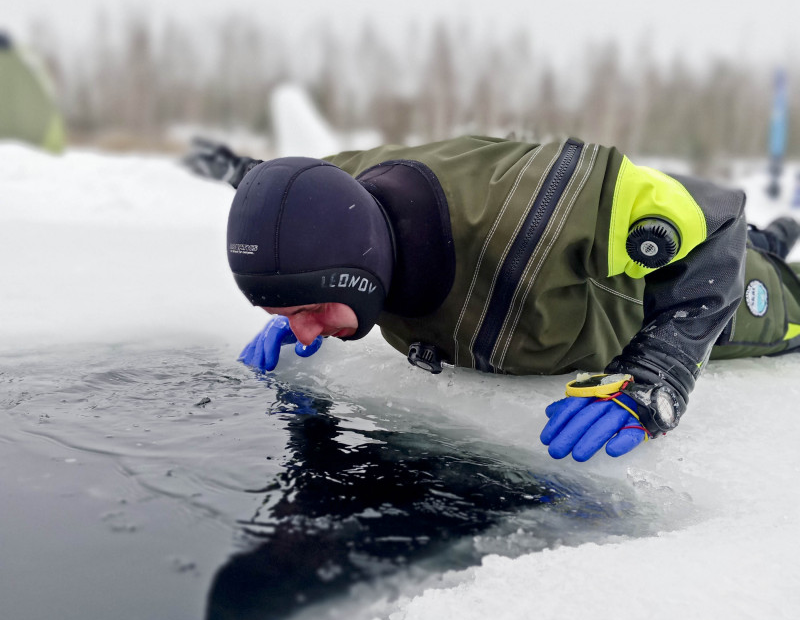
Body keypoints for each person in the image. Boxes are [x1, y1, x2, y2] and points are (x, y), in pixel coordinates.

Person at [186, 136, 800, 462]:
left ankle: (774, 253)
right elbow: (277, 184)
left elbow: (717, 216)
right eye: (284, 317)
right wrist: (300, 300)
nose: (305, 332)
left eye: (310, 309)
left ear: (361, 265)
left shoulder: (547, 215)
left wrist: (658, 373)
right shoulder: (338, 192)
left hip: (670, 295)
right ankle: (777, 239)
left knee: (769, 289)